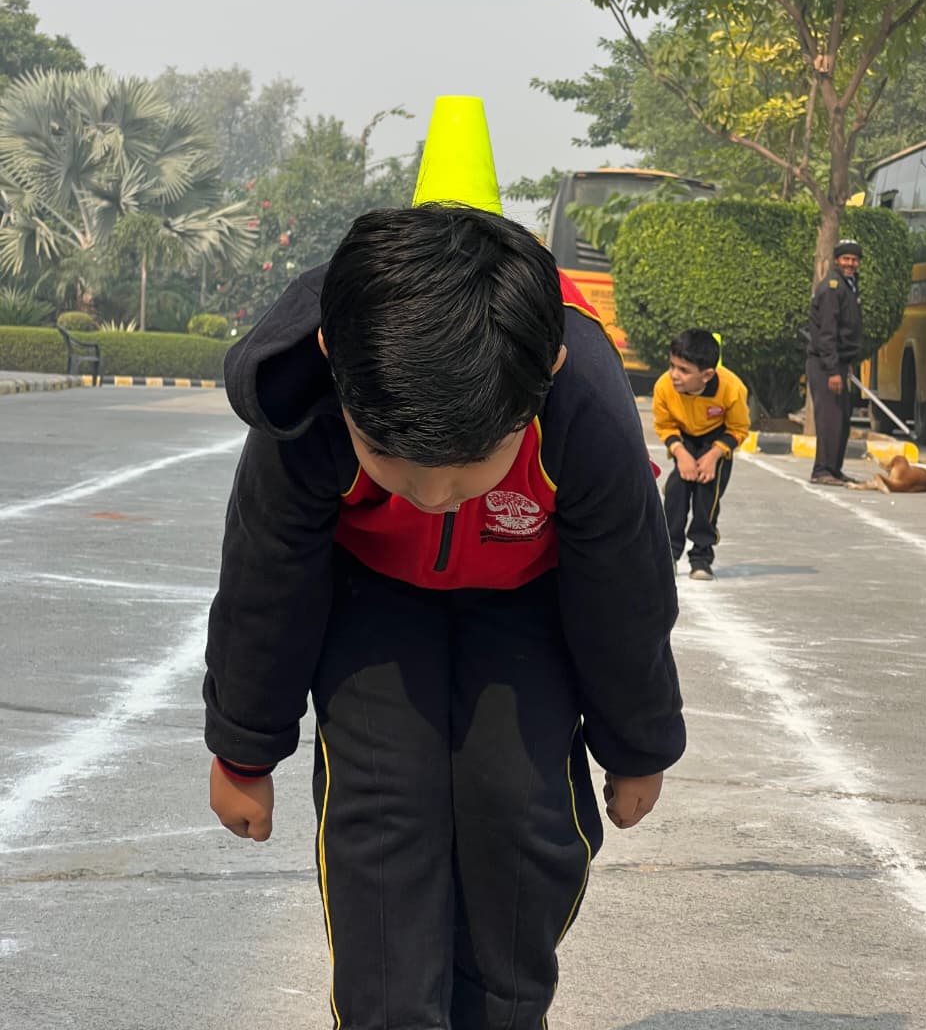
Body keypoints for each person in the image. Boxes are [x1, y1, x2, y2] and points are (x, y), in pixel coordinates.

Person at [203, 97, 685, 1030]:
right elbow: (267, 582)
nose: (431, 495)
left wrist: (638, 746)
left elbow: (625, 594)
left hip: (528, 603)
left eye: (468, 469)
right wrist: (244, 749)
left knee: (523, 810)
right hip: (371, 600)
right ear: (336, 362)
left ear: (543, 378)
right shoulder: (308, 401)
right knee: (385, 813)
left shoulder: (581, 403)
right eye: (393, 463)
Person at [652, 328, 750, 582]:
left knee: (708, 494)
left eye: (684, 370)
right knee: (676, 491)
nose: (674, 375)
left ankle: (701, 557)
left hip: (717, 440)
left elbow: (739, 428)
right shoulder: (663, 386)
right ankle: (669, 555)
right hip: (683, 439)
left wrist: (714, 455)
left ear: (707, 375)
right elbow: (664, 425)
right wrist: (680, 453)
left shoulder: (732, 388)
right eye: (672, 366)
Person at [806, 239, 864, 486]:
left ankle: (834, 469)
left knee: (841, 419)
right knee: (829, 419)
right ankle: (822, 470)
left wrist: (845, 363)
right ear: (837, 260)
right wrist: (832, 370)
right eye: (846, 259)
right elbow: (827, 332)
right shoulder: (832, 288)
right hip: (824, 364)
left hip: (838, 362)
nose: (850, 263)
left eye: (854, 259)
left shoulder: (848, 285)